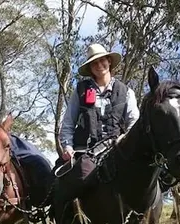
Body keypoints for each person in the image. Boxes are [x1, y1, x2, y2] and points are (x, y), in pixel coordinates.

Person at [53, 43, 140, 205]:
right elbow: (68, 123)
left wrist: (127, 142)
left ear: (109, 61)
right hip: (86, 151)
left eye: (102, 61)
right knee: (80, 177)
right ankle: (71, 221)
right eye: (94, 63)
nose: (99, 65)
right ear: (90, 68)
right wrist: (67, 147)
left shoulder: (126, 92)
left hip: (116, 149)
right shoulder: (80, 90)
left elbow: (133, 122)